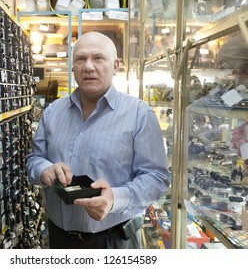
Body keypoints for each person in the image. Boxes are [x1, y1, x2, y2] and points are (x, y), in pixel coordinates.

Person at [26, 32, 170, 249]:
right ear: (73, 66)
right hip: (59, 239)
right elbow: (34, 159)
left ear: (116, 65)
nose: (89, 66)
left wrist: (114, 199)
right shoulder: (53, 112)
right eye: (81, 59)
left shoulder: (139, 114)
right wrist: (45, 170)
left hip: (113, 242)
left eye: (98, 58)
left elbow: (157, 178)